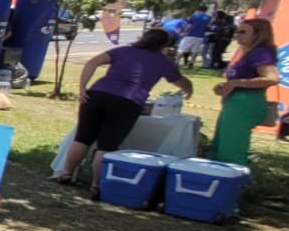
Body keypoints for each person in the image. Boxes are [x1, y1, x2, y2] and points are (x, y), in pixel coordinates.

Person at [55, 27, 193, 190]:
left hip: (97, 94)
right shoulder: (163, 62)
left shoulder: (122, 51)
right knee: (107, 145)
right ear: (165, 45)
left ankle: (66, 173)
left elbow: (92, 62)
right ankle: (96, 184)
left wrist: (83, 89)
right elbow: (179, 81)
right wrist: (189, 88)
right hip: (128, 101)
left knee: (82, 138)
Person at [212, 17, 282, 165]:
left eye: (243, 32)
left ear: (258, 34)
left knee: (231, 149)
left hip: (245, 104)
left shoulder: (261, 53)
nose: (237, 35)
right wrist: (226, 86)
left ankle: (231, 180)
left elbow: (272, 78)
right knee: (221, 145)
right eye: (237, 31)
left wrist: (237, 83)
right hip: (234, 103)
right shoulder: (250, 52)